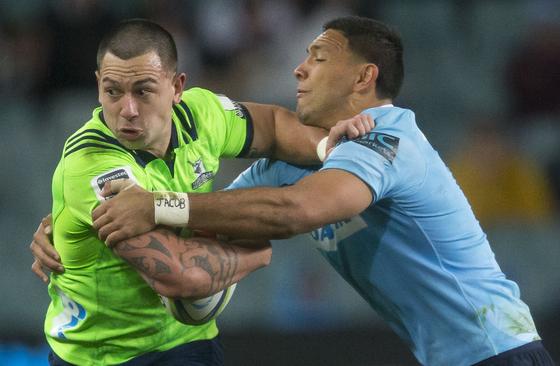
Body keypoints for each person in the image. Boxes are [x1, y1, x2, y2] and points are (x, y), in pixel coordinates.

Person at [34, 16, 555, 365]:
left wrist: (158, 206)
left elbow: (293, 212)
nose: (298, 68)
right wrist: (72, 225)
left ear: (363, 77)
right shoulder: (297, 163)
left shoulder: (389, 141)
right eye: (112, 90)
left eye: (319, 58)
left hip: (499, 350)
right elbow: (226, 209)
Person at [30, 18, 367, 366]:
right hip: (100, 355)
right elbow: (180, 276)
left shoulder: (201, 116)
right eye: (113, 91)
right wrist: (257, 254)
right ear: (99, 85)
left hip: (188, 343)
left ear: (177, 87)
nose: (127, 110)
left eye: (143, 91)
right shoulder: (92, 164)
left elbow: (273, 126)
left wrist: (330, 146)